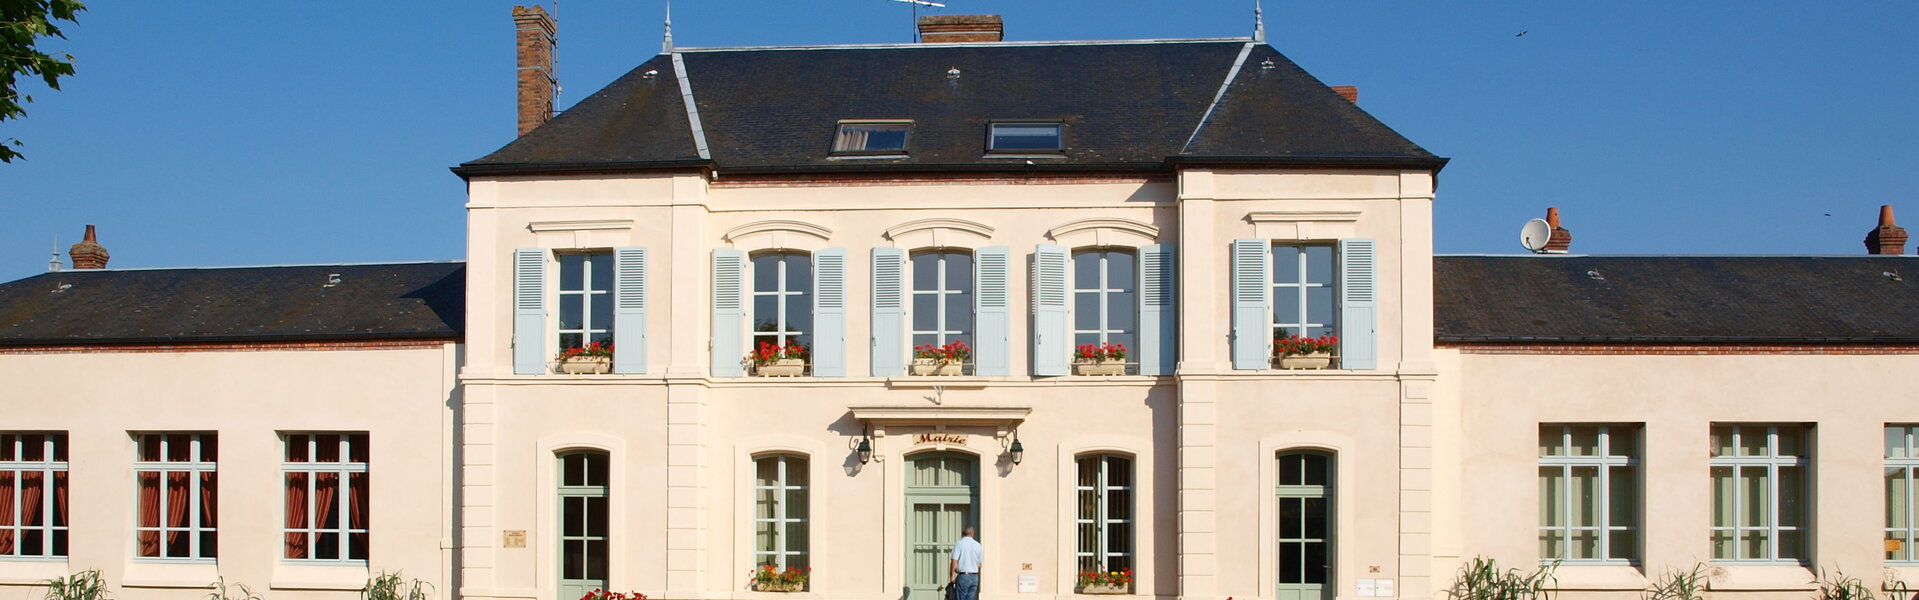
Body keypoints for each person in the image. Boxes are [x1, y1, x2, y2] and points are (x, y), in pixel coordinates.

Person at [949, 526, 983, 600]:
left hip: (963, 576)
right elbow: (980, 565)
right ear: (972, 533)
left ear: (962, 533)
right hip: (974, 576)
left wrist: (952, 576)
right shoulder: (978, 545)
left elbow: (954, 560)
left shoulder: (959, 544)